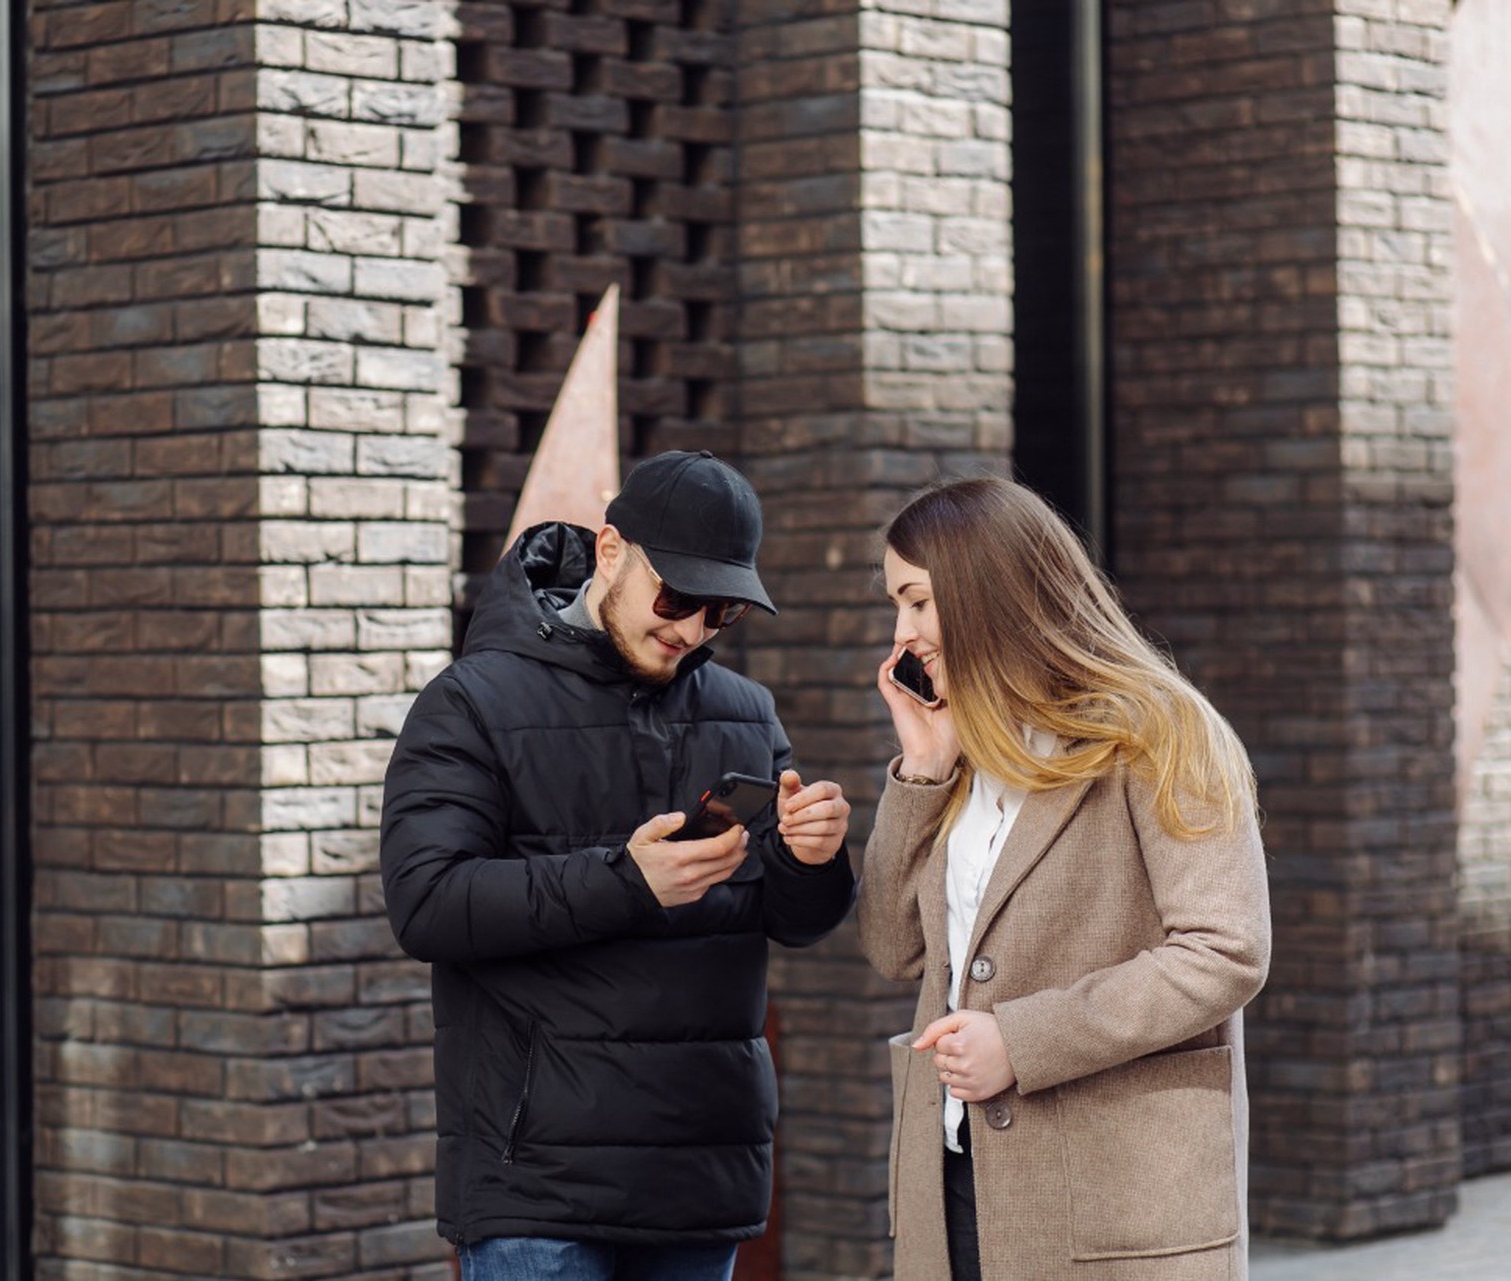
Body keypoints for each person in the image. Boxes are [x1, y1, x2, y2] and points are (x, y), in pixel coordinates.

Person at [380, 450, 857, 1281]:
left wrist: (815, 859)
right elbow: (425, 901)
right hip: (534, 1183)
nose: (691, 629)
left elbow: (791, 916)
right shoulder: (470, 702)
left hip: (697, 1174)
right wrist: (624, 882)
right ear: (609, 552)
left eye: (720, 613)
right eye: (675, 597)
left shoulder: (746, 713)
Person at [858, 477, 1271, 1281]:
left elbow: (1226, 950)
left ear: (986, 590)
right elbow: (893, 948)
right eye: (895, 605)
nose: (901, 633)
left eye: (916, 601)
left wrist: (1021, 1038)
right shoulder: (963, 749)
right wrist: (923, 768)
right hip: (954, 1185)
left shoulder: (1160, 732)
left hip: (1114, 1205)